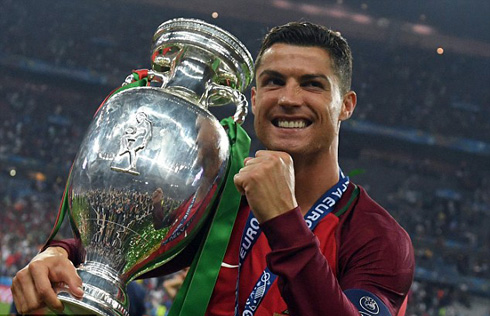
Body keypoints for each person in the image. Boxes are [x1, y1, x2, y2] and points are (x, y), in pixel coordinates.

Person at [12, 21, 414, 315]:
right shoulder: (219, 199)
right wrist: (57, 254)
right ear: (254, 99)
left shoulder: (377, 237)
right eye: (274, 82)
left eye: (312, 84)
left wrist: (284, 221)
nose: (289, 99)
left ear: (346, 105)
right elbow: (120, 248)